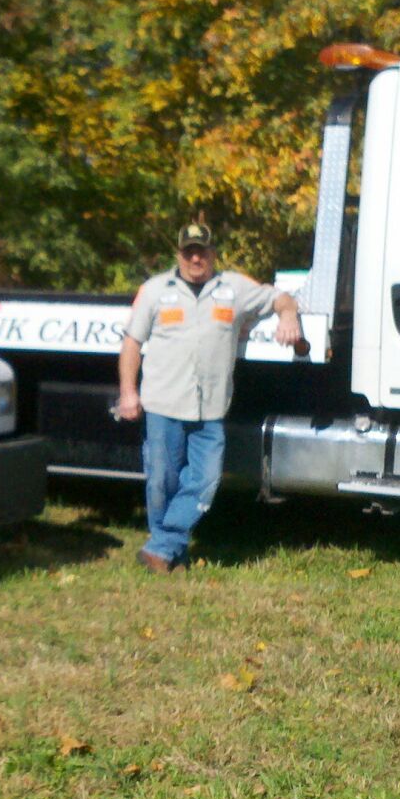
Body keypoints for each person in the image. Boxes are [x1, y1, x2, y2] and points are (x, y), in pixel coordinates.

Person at [116, 224, 301, 572]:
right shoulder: (156, 290)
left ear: (213, 254)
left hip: (211, 409)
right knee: (162, 482)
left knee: (205, 482)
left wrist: (288, 315)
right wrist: (128, 391)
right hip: (163, 404)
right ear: (179, 255)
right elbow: (131, 344)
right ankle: (170, 554)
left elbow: (281, 298)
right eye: (189, 252)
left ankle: (161, 547)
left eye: (202, 251)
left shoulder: (234, 288)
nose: (196, 258)